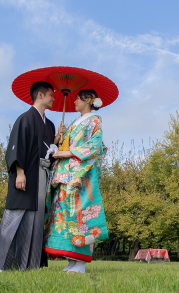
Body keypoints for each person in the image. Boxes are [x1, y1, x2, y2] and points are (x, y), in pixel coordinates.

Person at [0, 80, 66, 272]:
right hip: (26, 174)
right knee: (15, 215)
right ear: (40, 95)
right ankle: (3, 265)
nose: (53, 98)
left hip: (42, 176)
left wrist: (57, 137)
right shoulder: (25, 118)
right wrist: (19, 172)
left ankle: (30, 264)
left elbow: (49, 148)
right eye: (51, 94)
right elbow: (17, 146)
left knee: (35, 220)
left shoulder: (49, 124)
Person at [44, 88, 108, 274]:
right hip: (65, 173)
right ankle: (71, 260)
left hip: (81, 174)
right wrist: (61, 135)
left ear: (88, 100)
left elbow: (94, 146)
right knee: (64, 215)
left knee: (80, 214)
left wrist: (65, 152)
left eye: (78, 99)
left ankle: (80, 262)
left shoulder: (95, 120)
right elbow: (65, 144)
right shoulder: (74, 122)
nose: (74, 102)